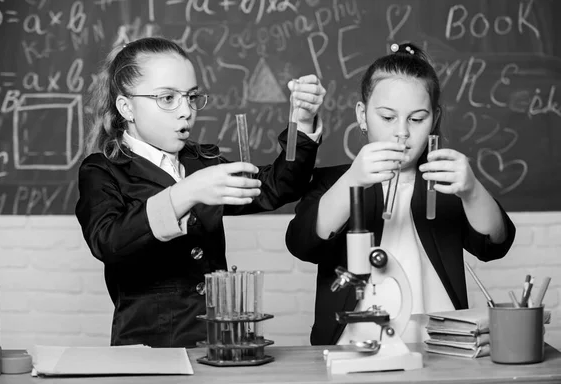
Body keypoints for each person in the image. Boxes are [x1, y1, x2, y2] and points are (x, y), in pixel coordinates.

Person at [75, 37, 326, 348]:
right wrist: (187, 192)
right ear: (127, 107)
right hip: (147, 354)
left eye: (191, 97)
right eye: (167, 98)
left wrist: (302, 123)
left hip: (217, 344)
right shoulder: (103, 170)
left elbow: (277, 187)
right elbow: (109, 241)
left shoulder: (200, 161)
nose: (186, 111)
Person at [285, 43, 516, 346]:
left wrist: (472, 191)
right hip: (351, 352)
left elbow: (495, 244)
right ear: (363, 115)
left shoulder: (446, 183)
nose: (402, 132)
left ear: (434, 119)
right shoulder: (335, 181)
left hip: (441, 351)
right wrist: (352, 180)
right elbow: (302, 243)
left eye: (417, 119)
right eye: (387, 117)